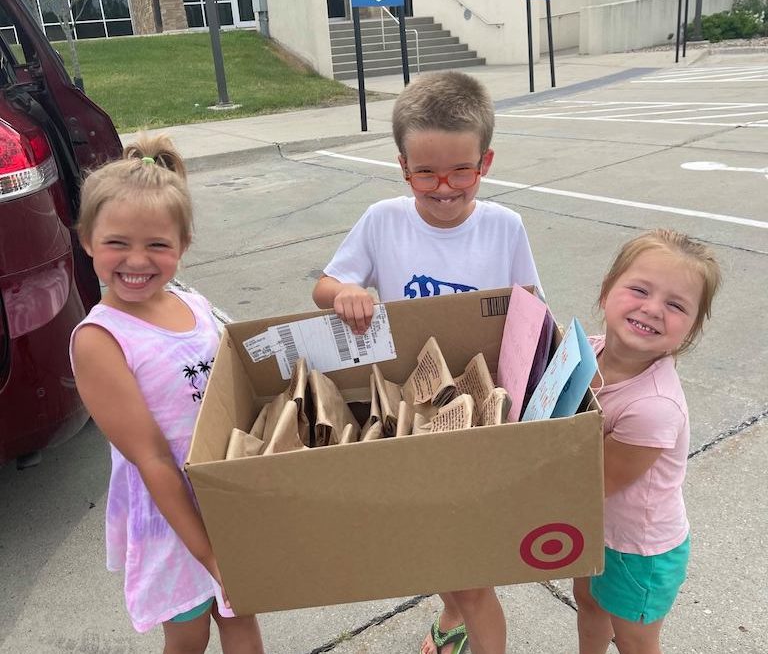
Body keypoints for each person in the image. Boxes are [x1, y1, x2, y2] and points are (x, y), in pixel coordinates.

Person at [314, 71, 542, 654]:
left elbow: (531, 309)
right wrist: (345, 294)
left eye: (460, 171)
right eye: (425, 173)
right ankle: (450, 617)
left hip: (482, 418)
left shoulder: (504, 227)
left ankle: (463, 626)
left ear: (485, 162)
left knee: (468, 564)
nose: (444, 187)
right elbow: (327, 284)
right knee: (430, 540)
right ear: (402, 166)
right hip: (411, 413)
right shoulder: (383, 219)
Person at [70, 135, 264, 653]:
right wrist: (210, 554)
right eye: (117, 243)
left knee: (242, 616)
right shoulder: (100, 339)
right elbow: (153, 457)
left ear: (183, 246)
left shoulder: (193, 302)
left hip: (224, 494)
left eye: (158, 245)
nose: (138, 260)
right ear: (86, 239)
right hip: (170, 516)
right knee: (189, 634)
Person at [574, 229, 722, 654]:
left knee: (635, 641)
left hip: (639, 550)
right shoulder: (590, 351)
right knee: (587, 603)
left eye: (676, 305)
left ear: (690, 330)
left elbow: (594, 483)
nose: (653, 309)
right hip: (598, 527)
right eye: (639, 289)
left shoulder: (653, 407)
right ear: (606, 293)